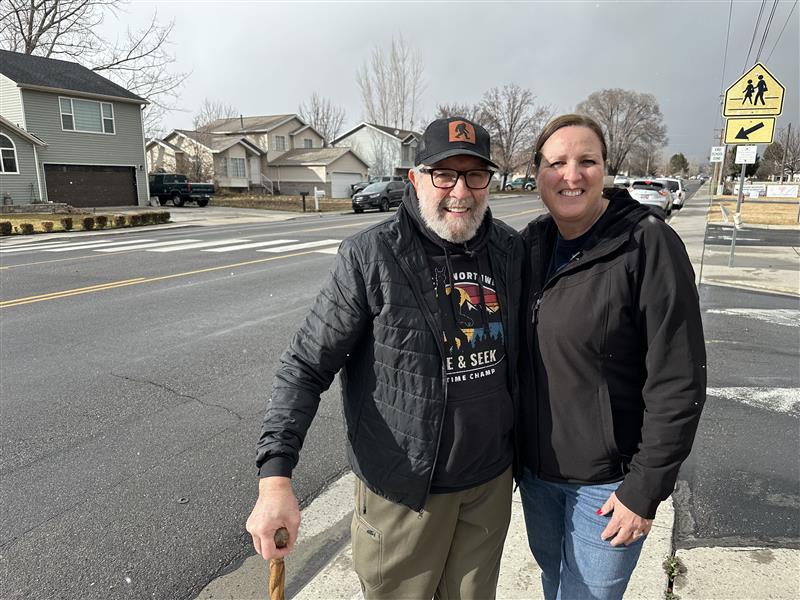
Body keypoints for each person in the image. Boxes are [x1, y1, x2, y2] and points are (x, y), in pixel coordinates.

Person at [246, 116, 524, 599]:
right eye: (444, 174)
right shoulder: (371, 256)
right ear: (415, 179)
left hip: (488, 487)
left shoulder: (509, 250)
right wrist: (275, 478)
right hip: (403, 493)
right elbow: (305, 367)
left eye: (475, 175)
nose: (460, 190)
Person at [518, 113, 706, 600]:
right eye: (556, 162)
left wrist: (644, 490)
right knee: (555, 583)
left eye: (587, 161)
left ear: (607, 170)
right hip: (538, 477)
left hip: (608, 486)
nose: (572, 175)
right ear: (537, 173)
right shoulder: (531, 245)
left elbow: (679, 378)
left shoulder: (647, 244)